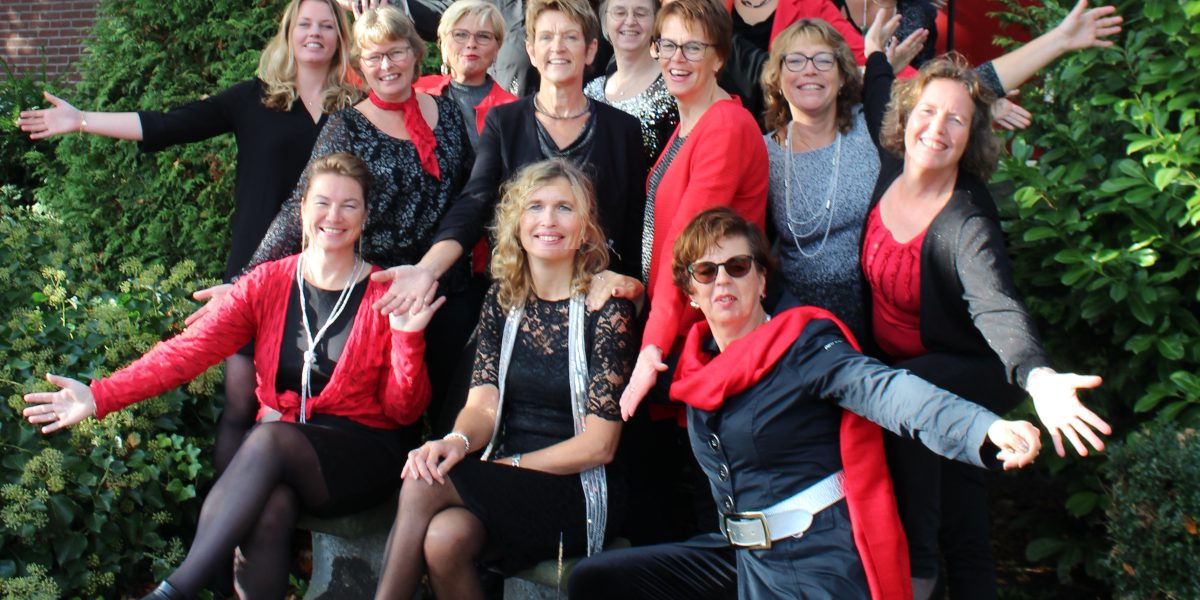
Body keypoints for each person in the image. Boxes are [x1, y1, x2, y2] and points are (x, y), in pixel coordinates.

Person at [22, 152, 437, 600]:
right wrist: (100, 395)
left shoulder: (384, 292)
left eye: (348, 205)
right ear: (302, 210)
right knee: (270, 510)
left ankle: (175, 591)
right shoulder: (266, 283)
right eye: (322, 202)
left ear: (365, 216)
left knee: (267, 438)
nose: (333, 216)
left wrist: (407, 339)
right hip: (285, 451)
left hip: (361, 456)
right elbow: (187, 352)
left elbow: (404, 410)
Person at [571, 207, 1043, 599]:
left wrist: (982, 429)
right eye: (706, 272)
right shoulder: (697, 366)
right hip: (742, 557)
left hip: (816, 561)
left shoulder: (804, 345)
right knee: (595, 581)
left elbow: (888, 391)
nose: (723, 281)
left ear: (762, 280)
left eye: (738, 266)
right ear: (691, 293)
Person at [17, 0, 361, 475]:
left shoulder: (355, 108)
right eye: (304, 24)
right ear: (288, 33)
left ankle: (287, 514)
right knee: (241, 404)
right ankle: (226, 516)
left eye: (326, 25)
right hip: (252, 274)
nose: (314, 33)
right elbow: (168, 124)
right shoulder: (253, 99)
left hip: (327, 278)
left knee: (316, 403)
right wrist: (81, 120)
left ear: (341, 37)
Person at [857, 3, 1120, 596]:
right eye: (928, 112)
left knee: (909, 401)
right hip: (911, 371)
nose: (937, 128)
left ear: (973, 135)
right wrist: (875, 53)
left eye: (956, 120)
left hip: (970, 367)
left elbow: (996, 306)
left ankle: (917, 573)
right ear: (907, 116)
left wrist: (1039, 379)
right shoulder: (894, 155)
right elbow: (879, 89)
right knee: (963, 500)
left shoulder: (965, 221)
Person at [373, 159, 637, 599]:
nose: (548, 220)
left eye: (564, 208)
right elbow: (482, 406)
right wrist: (456, 442)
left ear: (585, 229)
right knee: (443, 540)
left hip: (579, 491)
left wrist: (508, 467)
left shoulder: (607, 308)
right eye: (535, 207)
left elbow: (599, 446)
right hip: (506, 476)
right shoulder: (503, 300)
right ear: (517, 224)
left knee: (422, 482)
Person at [242, 5, 476, 426]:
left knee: (451, 410)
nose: (387, 66)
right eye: (374, 57)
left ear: (415, 54)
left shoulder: (448, 113)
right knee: (396, 414)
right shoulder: (345, 127)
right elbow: (303, 204)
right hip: (382, 297)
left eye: (396, 52)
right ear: (360, 66)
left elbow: (470, 195)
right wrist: (245, 281)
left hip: (445, 286)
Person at [370, 0, 646, 319]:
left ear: (590, 50)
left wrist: (635, 294)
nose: (557, 47)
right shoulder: (505, 122)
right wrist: (427, 269)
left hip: (598, 305)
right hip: (519, 301)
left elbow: (634, 229)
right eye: (546, 37)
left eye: (570, 37)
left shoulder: (623, 130)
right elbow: (474, 202)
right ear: (531, 50)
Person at [413, 0, 519, 148]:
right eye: (460, 35)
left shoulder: (514, 111)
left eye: (483, 36)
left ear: (497, 48)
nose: (471, 44)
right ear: (444, 44)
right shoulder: (415, 92)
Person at [585, 0, 679, 164]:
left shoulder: (675, 89)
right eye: (620, 13)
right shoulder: (591, 92)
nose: (630, 21)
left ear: (656, 21)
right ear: (605, 20)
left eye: (640, 13)